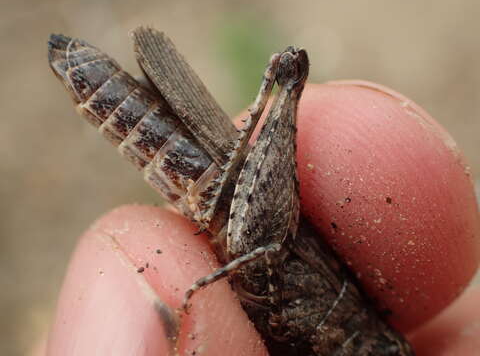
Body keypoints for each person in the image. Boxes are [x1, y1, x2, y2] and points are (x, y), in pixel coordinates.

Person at [42, 83, 480, 356]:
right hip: (244, 216)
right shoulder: (350, 330)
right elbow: (270, 260)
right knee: (265, 248)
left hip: (244, 229)